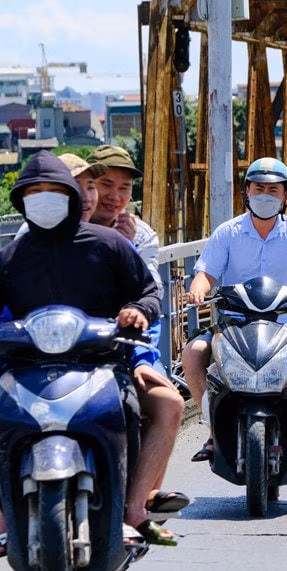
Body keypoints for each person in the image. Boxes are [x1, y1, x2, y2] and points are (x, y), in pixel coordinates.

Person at [0, 151, 179, 547]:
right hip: (26, 368)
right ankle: (3, 515)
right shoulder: (11, 256)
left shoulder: (110, 244)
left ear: (69, 194)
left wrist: (137, 312)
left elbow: (149, 292)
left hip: (103, 363)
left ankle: (134, 510)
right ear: (21, 200)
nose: (45, 198)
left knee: (157, 405)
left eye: (53, 189)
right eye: (34, 191)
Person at [182, 157, 287, 464]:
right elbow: (206, 273)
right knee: (192, 354)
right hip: (234, 323)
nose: (265, 195)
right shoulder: (227, 232)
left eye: (273, 190)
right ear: (247, 191)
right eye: (259, 188)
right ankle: (213, 431)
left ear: (285, 195)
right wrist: (198, 289)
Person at [86, 145, 163, 297]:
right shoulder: (64, 226)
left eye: (124, 188)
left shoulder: (140, 235)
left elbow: (153, 291)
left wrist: (126, 249)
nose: (114, 196)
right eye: (106, 184)